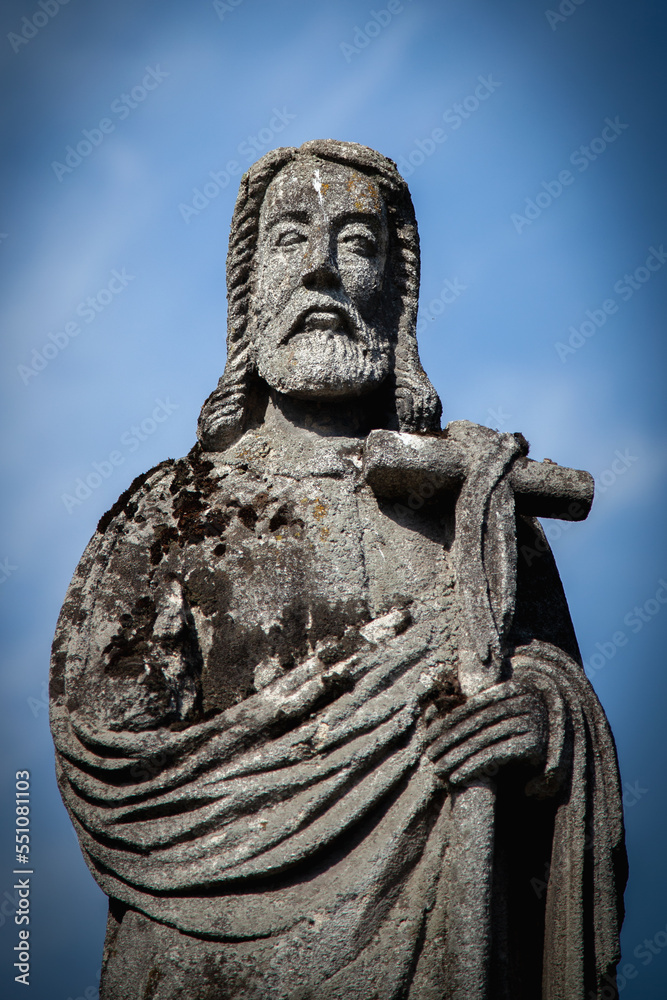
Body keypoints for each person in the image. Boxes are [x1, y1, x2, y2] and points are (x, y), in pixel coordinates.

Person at [51, 140, 626, 999]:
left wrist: (545, 727)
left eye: (356, 244)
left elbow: (560, 702)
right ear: (249, 294)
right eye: (290, 239)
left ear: (398, 299)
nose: (321, 269)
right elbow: (117, 777)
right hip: (210, 967)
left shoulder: (476, 511)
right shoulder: (170, 514)